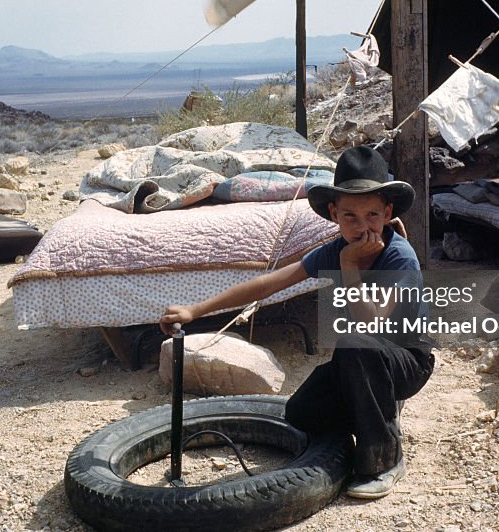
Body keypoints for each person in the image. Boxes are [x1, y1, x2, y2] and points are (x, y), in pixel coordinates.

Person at [160, 146, 435, 499]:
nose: (361, 226)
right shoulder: (334, 250)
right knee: (302, 413)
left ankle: (384, 458)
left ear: (387, 213)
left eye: (371, 215)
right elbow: (268, 283)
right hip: (360, 360)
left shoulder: (399, 256)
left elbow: (373, 325)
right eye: (349, 216)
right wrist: (196, 311)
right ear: (334, 214)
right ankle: (374, 409)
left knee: (354, 341)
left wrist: (350, 268)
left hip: (406, 361)